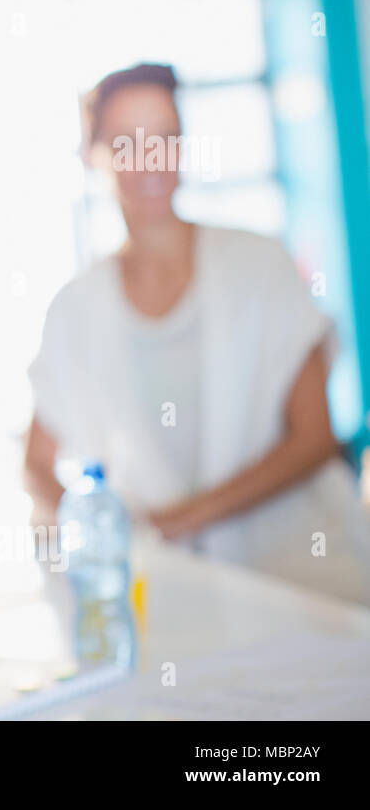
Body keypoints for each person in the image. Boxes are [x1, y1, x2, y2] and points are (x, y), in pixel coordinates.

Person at [25, 62, 370, 606]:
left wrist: (181, 522)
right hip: (168, 597)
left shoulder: (260, 264)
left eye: (164, 139)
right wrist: (103, 532)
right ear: (94, 155)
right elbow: (37, 465)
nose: (150, 161)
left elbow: (314, 436)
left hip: (304, 584)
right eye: (126, 143)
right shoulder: (74, 309)